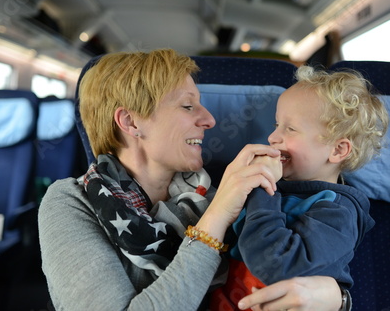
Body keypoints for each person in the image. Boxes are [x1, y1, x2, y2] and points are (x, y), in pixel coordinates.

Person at [38, 49, 347, 311]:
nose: (210, 120)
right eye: (188, 106)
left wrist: (339, 299)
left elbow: (291, 267)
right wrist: (217, 216)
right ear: (130, 122)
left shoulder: (205, 191)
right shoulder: (70, 201)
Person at [211, 65, 389, 310]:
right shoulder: (277, 189)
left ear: (337, 150)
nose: (273, 137)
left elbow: (276, 265)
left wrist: (265, 188)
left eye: (290, 129)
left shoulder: (338, 210)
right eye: (276, 125)